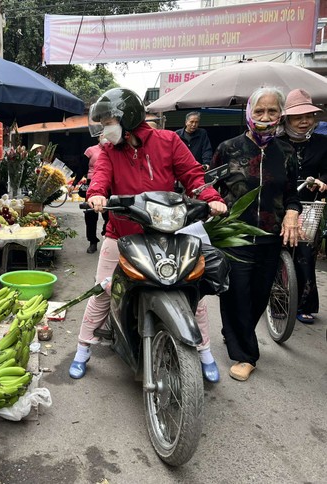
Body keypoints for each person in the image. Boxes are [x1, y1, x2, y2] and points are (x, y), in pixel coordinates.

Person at [69, 88, 227, 381]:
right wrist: (96, 195)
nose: (105, 129)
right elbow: (100, 177)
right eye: (102, 124)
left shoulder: (168, 141)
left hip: (168, 232)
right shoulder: (108, 151)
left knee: (193, 292)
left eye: (108, 122)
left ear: (126, 118)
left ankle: (204, 351)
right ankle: (82, 349)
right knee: (103, 291)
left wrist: (210, 196)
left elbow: (192, 175)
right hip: (121, 232)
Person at [211, 86, 302, 382]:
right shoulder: (228, 148)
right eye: (259, 111)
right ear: (250, 112)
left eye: (272, 111)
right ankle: (245, 354)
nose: (265, 117)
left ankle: (235, 332)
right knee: (236, 292)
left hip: (270, 235)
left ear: (280, 114)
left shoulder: (287, 152)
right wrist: (213, 204)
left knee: (259, 293)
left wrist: (292, 211)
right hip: (235, 234)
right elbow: (208, 186)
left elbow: (292, 194)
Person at [277, 89, 327, 324]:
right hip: (279, 204)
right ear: (287, 119)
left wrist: (323, 181)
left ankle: (305, 303)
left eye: (308, 116)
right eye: (298, 117)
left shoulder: (322, 143)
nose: (304, 121)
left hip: (309, 206)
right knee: (276, 254)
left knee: (305, 255)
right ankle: (277, 300)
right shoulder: (276, 143)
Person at [70, 137, 108, 254]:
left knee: (110, 214)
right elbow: (82, 169)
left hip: (109, 185)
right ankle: (92, 241)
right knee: (90, 215)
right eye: (102, 134)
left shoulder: (114, 149)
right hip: (92, 184)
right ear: (98, 137)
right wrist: (74, 183)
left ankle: (105, 232)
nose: (105, 137)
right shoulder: (91, 150)